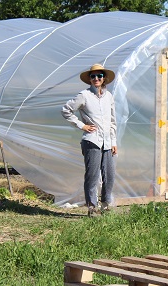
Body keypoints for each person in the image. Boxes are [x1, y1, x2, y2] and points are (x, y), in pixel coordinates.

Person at [61, 63, 117, 217]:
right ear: (90, 79)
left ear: (104, 78)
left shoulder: (109, 97)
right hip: (92, 141)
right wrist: (82, 125)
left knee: (110, 175)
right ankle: (92, 207)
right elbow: (66, 110)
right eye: (93, 76)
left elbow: (112, 121)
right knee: (92, 175)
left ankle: (105, 205)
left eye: (99, 76)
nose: (96, 79)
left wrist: (114, 142)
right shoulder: (84, 95)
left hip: (107, 142)